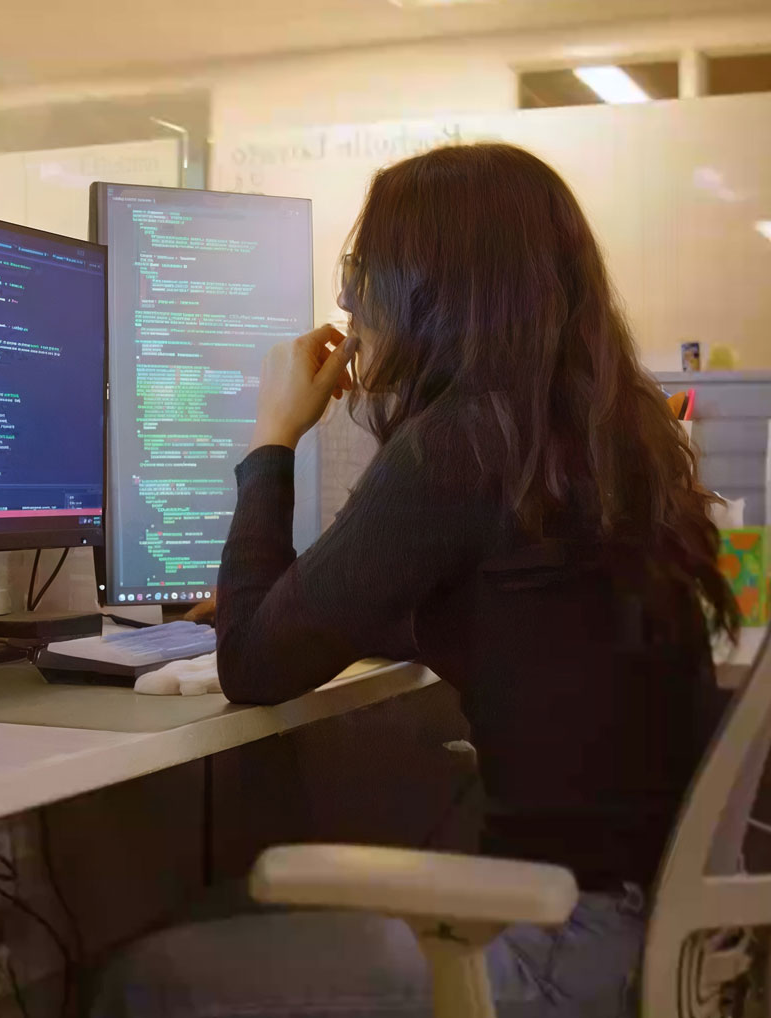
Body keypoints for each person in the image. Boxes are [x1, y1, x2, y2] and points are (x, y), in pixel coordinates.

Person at [92, 143, 737, 1018]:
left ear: (426, 289)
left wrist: (273, 434)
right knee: (224, 915)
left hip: (563, 947)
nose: (352, 302)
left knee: (142, 975)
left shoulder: (461, 443)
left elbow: (252, 667)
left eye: (365, 273)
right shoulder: (604, 436)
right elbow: (504, 616)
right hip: (668, 935)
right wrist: (304, 603)